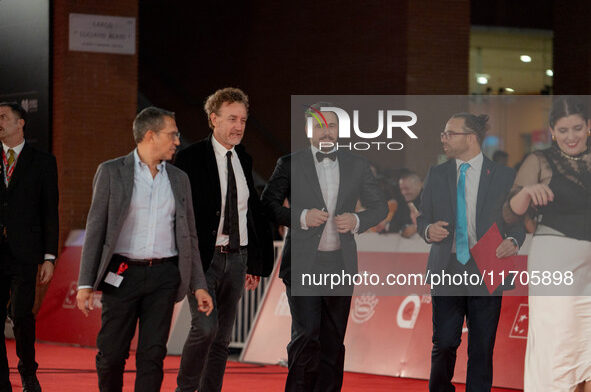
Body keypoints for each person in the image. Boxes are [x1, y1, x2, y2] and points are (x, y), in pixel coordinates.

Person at [76, 107, 213, 392]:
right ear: (150, 136)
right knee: (112, 354)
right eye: (172, 134)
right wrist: (85, 284)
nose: (178, 141)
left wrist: (198, 285)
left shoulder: (179, 179)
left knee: (153, 356)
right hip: (122, 274)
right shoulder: (111, 172)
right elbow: (96, 230)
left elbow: (189, 237)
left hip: (164, 276)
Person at [261, 102, 387, 392]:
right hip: (304, 264)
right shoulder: (289, 163)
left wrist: (356, 219)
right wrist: (301, 217)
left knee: (332, 341)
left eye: (330, 125)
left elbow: (379, 207)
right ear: (308, 131)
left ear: (339, 130)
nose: (325, 131)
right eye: (319, 126)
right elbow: (266, 204)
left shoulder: (357, 163)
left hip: (340, 265)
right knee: (306, 336)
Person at [174, 88, 274, 392]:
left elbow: (250, 213)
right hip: (203, 259)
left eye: (243, 120)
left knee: (221, 339)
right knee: (205, 328)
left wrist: (254, 261)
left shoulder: (244, 158)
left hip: (237, 259)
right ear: (213, 118)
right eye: (232, 118)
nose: (239, 126)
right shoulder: (189, 159)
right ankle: (185, 390)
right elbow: (178, 212)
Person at [416, 113, 525, 392]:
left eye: (450, 133)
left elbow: (517, 223)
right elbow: (422, 217)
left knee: (481, 346)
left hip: (487, 265)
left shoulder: (503, 175)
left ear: (471, 138)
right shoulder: (437, 174)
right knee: (444, 343)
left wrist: (512, 241)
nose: (444, 139)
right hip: (448, 267)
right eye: (443, 133)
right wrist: (428, 230)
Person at [503, 96, 591, 391]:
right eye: (563, 130)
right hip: (556, 261)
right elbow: (509, 212)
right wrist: (527, 191)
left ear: (589, 127)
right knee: (560, 345)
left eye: (577, 128)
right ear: (552, 130)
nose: (571, 137)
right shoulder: (539, 161)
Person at [0, 102, 59, 392]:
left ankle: (27, 372)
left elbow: (50, 211)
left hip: (24, 253)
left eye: (3, 117)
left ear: (20, 123)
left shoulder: (43, 161)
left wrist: (49, 256)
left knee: (22, 316)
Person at [397, 171, 423, 237]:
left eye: (406, 189)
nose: (403, 192)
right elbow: (394, 224)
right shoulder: (402, 201)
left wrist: (418, 227)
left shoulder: (431, 200)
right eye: (401, 189)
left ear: (419, 185)